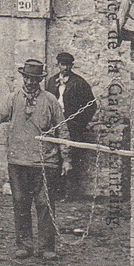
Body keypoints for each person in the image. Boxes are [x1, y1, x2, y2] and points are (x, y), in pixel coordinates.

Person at [0, 58, 71, 262]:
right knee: (20, 203)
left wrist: (66, 158)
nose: (30, 82)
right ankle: (24, 245)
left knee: (44, 203)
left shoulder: (50, 101)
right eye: (27, 78)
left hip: (45, 162)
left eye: (34, 79)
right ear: (23, 78)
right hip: (18, 161)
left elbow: (63, 129)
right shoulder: (12, 99)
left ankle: (47, 247)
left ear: (39, 80)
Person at [46, 52, 98, 197]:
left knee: (71, 157)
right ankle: (56, 191)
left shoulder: (79, 83)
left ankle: (71, 192)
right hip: (54, 125)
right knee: (54, 156)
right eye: (62, 64)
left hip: (72, 125)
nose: (65, 68)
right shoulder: (51, 82)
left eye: (68, 65)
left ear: (71, 66)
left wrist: (80, 123)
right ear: (57, 65)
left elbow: (91, 106)